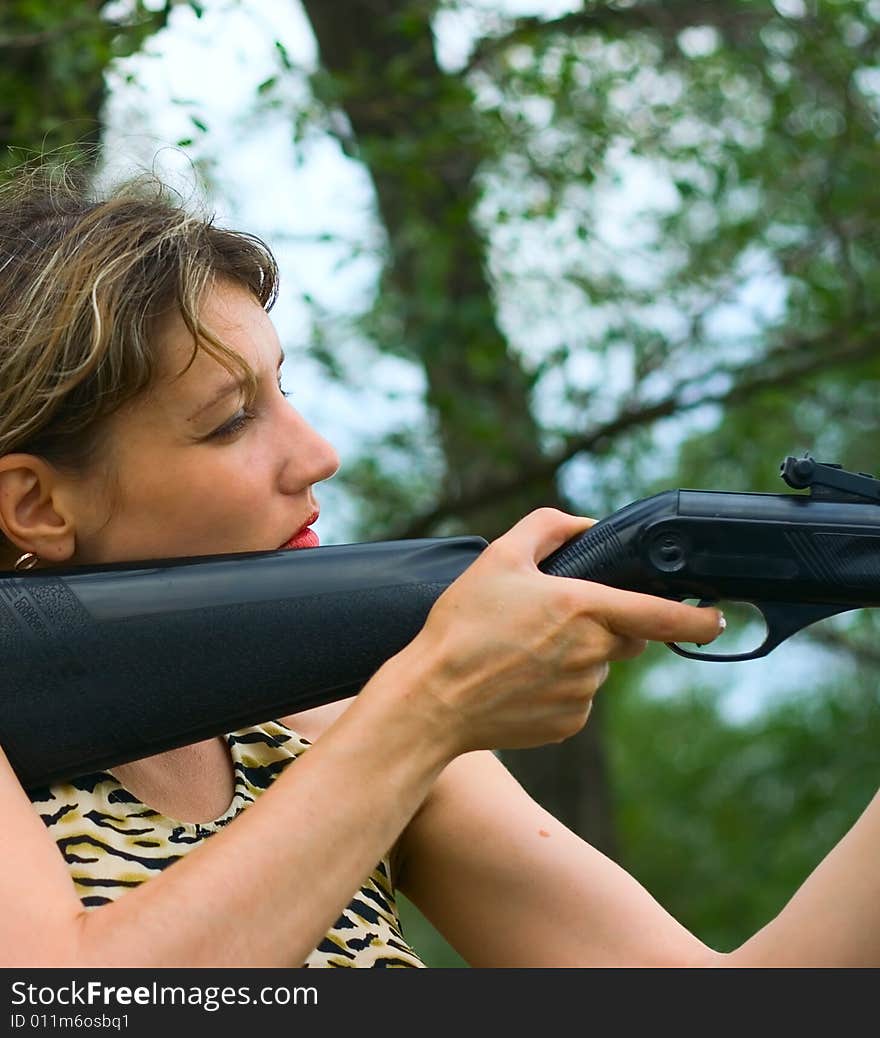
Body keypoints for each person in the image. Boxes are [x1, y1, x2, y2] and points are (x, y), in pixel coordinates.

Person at [0, 167, 876, 970]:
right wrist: (430, 707)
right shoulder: (399, 720)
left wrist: (417, 714)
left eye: (284, 391)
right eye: (231, 420)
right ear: (39, 505)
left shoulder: (341, 723)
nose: (317, 454)